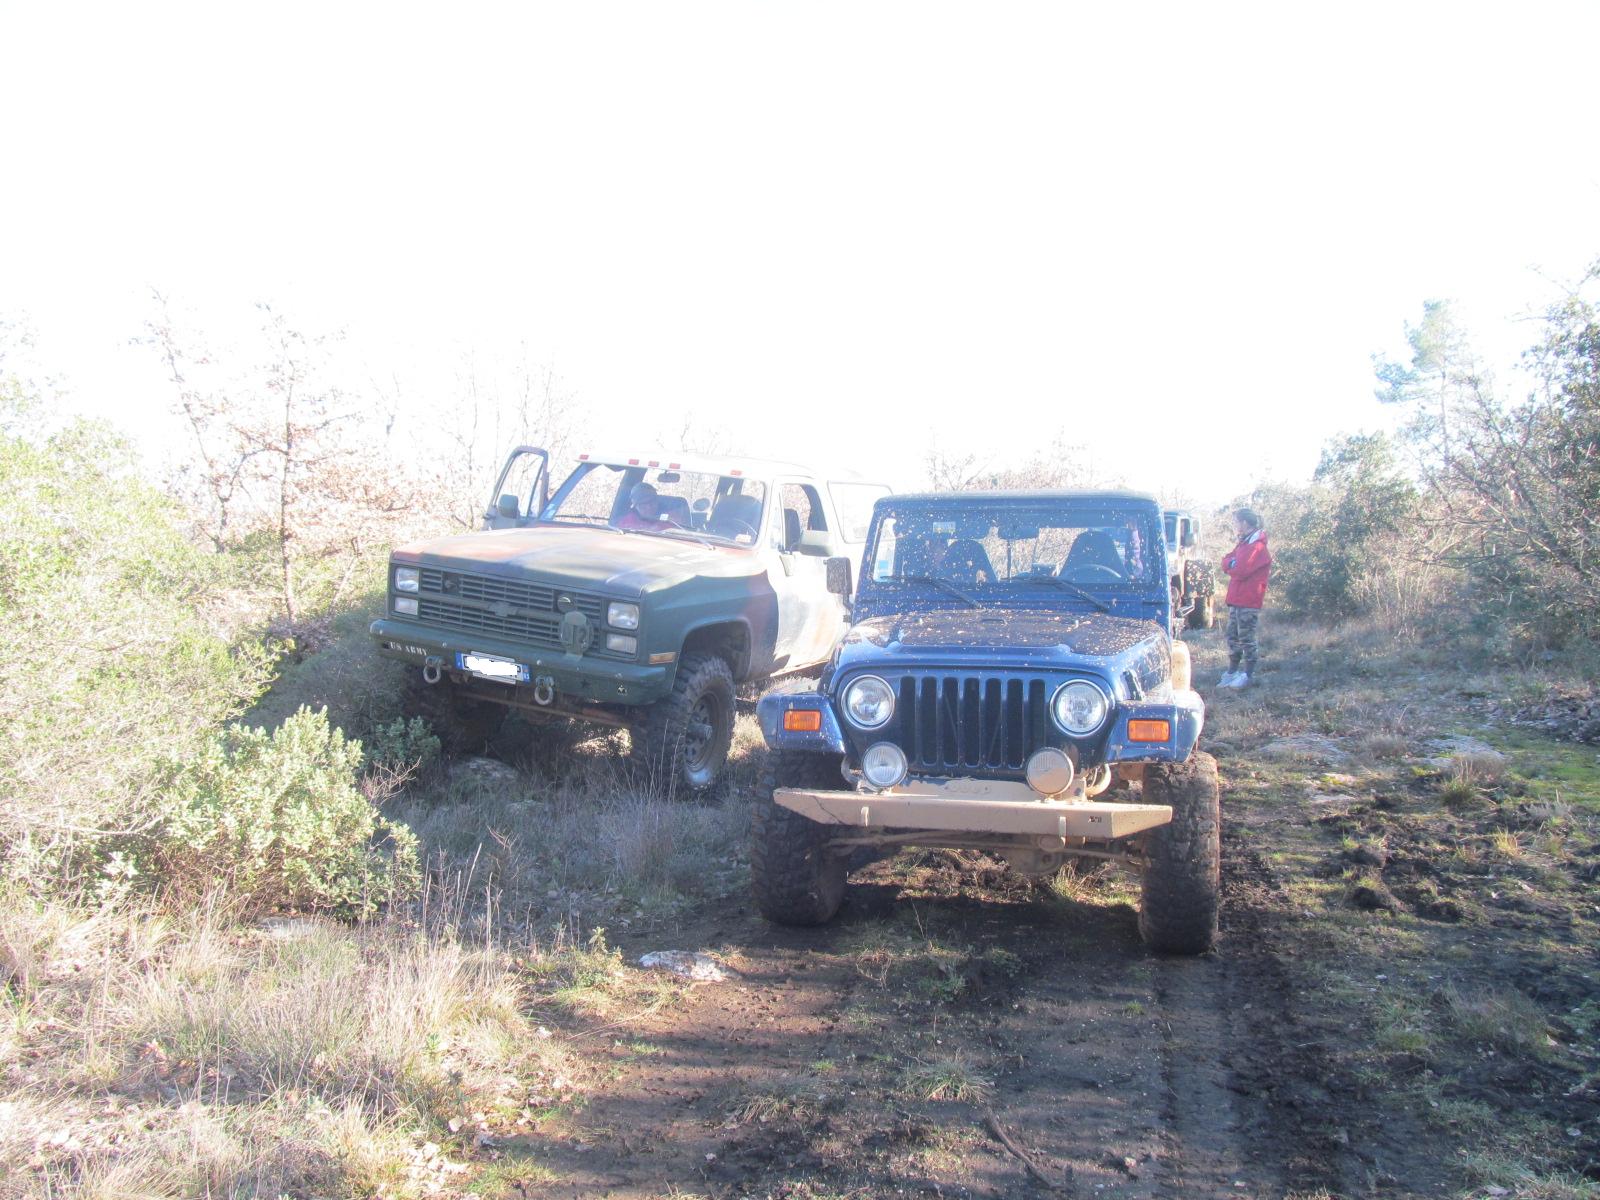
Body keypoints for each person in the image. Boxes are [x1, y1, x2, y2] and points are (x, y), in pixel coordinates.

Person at [1219, 507, 1271, 689]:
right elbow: (1226, 560)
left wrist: (1232, 564)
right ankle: (1232, 672)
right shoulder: (1244, 543)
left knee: (1247, 638)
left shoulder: (1256, 546)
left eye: (1236, 522)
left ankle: (1248, 674)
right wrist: (1231, 563)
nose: (1235, 525)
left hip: (1249, 599)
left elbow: (1240, 570)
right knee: (1232, 636)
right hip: (1236, 598)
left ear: (1245, 523)